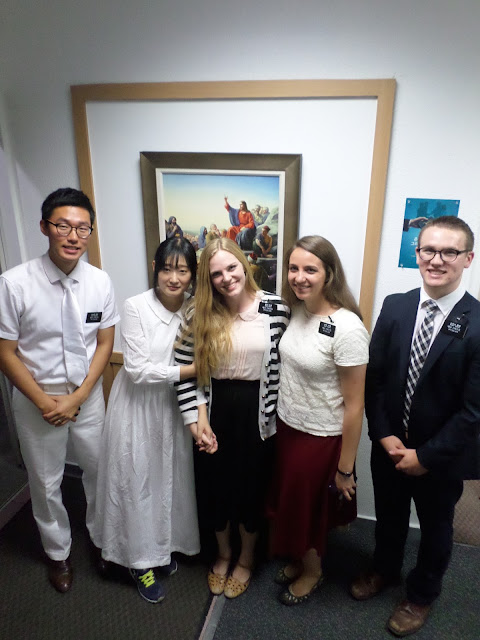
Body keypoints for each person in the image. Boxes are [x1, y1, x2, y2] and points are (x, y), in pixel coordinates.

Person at [350, 216, 480, 637]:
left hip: (440, 459)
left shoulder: (477, 322)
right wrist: (383, 434)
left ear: (468, 259)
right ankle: (385, 569)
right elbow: (375, 378)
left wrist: (425, 456)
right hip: (390, 445)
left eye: (449, 252)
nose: (436, 260)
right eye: (428, 250)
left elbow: (474, 411)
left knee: (436, 528)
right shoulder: (396, 305)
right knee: (388, 516)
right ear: (417, 253)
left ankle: (422, 594)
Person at [0, 187, 119, 593]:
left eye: (82, 228)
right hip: (37, 398)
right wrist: (45, 402)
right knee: (46, 481)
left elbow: (104, 342)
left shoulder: (99, 281)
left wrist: (79, 397)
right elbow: (5, 352)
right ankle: (58, 554)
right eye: (63, 226)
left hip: (86, 395)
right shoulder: (15, 284)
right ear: (44, 227)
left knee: (99, 471)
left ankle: (103, 541)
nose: (73, 236)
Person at [94, 237, 217, 604]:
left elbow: (196, 365)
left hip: (172, 406)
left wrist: (197, 399)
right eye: (166, 269)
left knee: (167, 479)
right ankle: (137, 562)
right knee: (136, 481)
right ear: (155, 268)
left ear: (193, 274)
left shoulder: (195, 310)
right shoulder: (135, 307)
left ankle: (159, 549)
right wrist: (194, 369)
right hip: (137, 407)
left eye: (182, 271)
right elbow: (137, 370)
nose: (174, 278)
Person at [175, 238, 289, 599]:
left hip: (258, 415)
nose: (226, 278)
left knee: (250, 489)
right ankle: (223, 554)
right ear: (208, 279)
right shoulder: (198, 313)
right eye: (216, 274)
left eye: (231, 267)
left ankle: (247, 557)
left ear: (244, 265)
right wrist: (195, 420)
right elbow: (184, 371)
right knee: (214, 487)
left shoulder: (275, 309)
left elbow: (288, 366)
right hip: (212, 410)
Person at [269, 235, 369, 606]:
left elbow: (355, 406)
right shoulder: (298, 310)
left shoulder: (348, 328)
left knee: (307, 511)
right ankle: (300, 559)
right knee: (293, 504)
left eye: (310, 269)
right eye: (293, 268)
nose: (299, 277)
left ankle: (313, 572)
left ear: (329, 273)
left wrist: (345, 469)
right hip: (288, 427)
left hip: (320, 437)